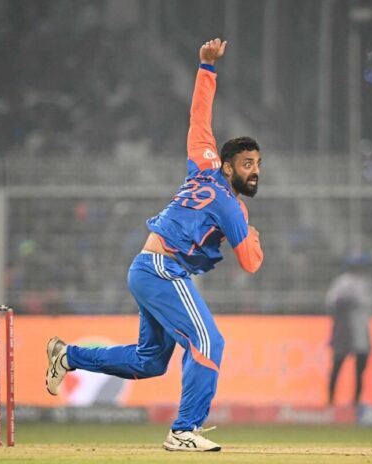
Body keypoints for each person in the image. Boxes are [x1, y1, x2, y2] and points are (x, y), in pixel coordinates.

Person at [44, 38, 263, 452]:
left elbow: (200, 118)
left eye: (258, 165)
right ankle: (183, 431)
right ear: (228, 166)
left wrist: (206, 67)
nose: (254, 172)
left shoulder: (203, 165)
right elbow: (251, 263)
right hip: (162, 269)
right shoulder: (233, 210)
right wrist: (252, 237)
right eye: (247, 164)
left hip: (148, 268)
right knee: (208, 342)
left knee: (150, 362)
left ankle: (67, 356)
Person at [326, 253, 372, 406]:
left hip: (360, 329)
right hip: (344, 329)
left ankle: (356, 401)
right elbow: (332, 302)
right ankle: (331, 400)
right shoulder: (342, 282)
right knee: (337, 365)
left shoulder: (367, 283)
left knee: (360, 368)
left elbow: (370, 304)